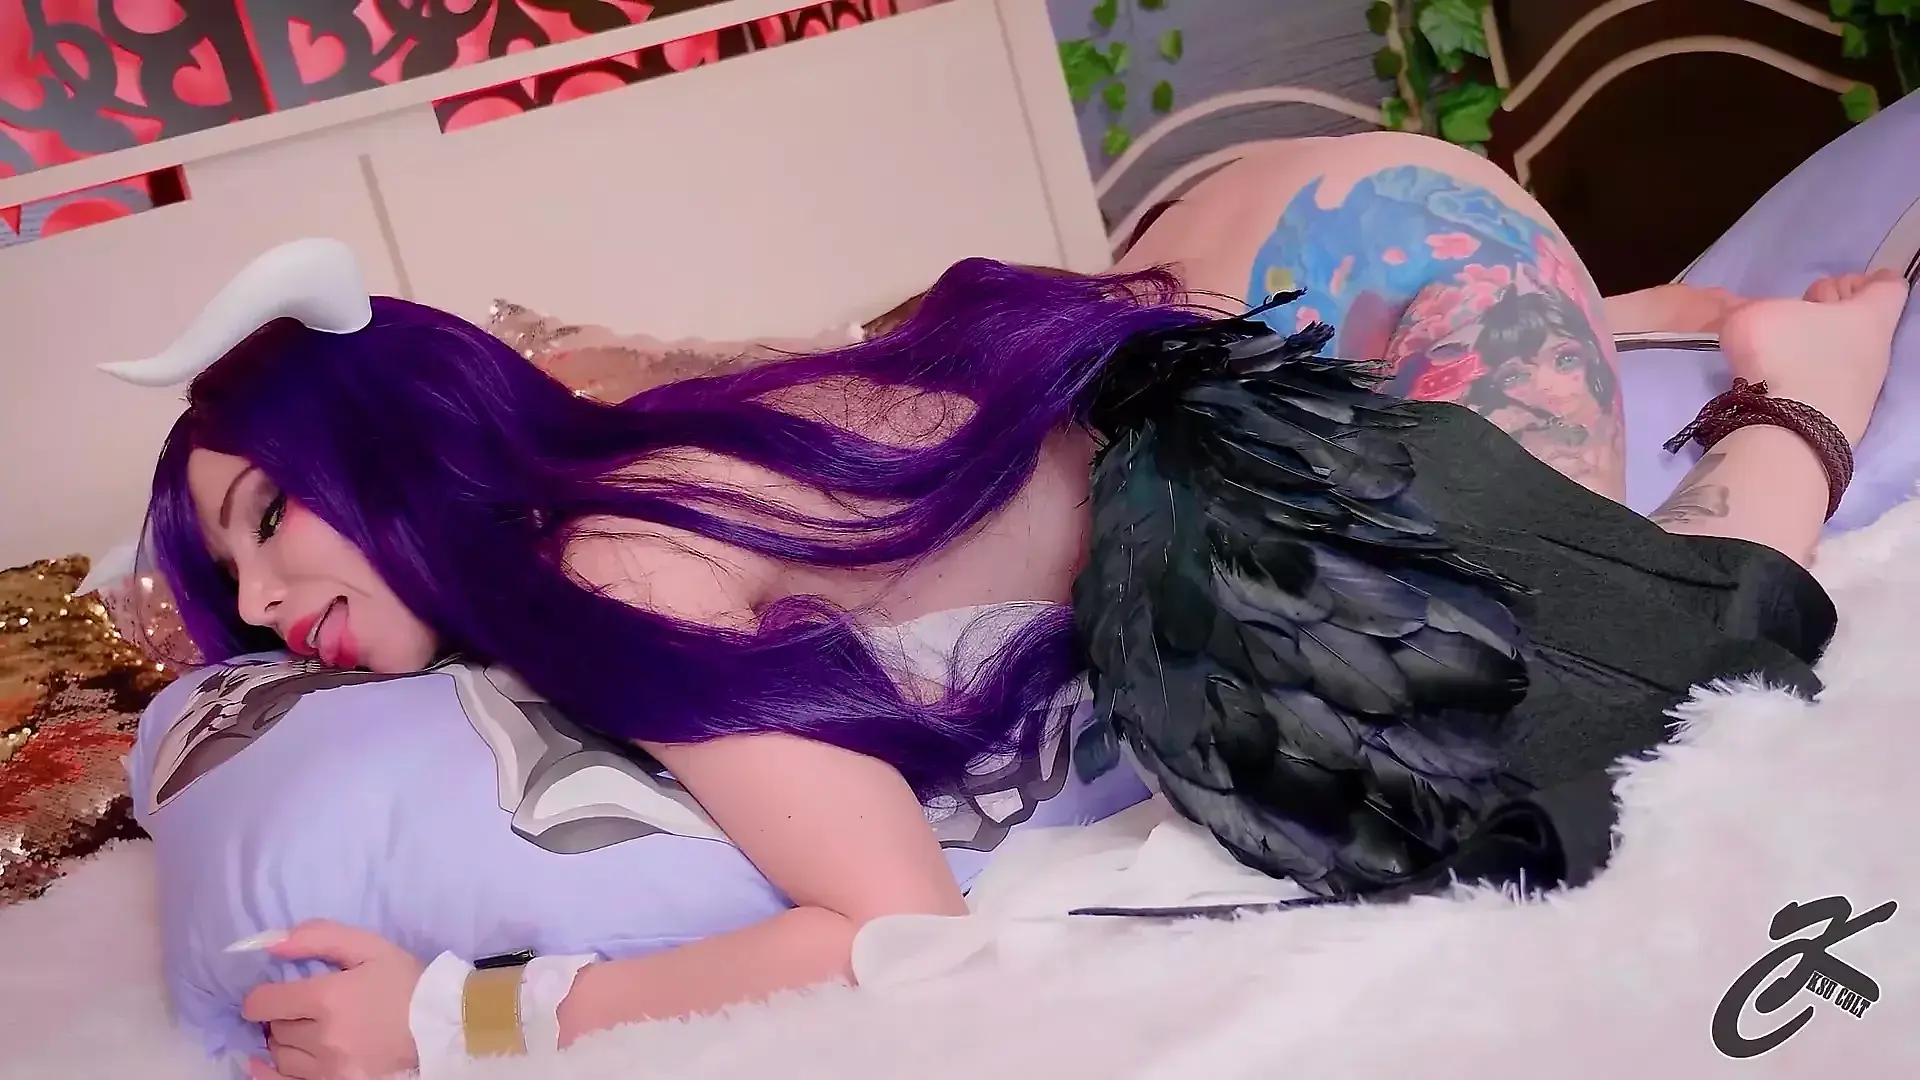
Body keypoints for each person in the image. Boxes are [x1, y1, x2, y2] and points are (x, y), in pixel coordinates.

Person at [109, 132, 1904, 1080]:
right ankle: (1650, 320)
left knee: (1645, 678)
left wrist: (459, 1020)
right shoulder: (610, 501)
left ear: (392, 435)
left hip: (1364, 256)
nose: (265, 600)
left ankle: (1799, 378)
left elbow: (893, 927)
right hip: (1278, 270)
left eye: (269, 518)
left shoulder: (605, 555)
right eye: (233, 591)